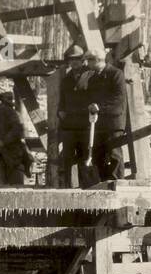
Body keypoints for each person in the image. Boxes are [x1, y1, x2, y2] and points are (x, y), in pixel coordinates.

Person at [85, 48, 128, 183]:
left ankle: (118, 185)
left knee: (114, 154)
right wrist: (90, 105)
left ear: (97, 60)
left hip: (114, 123)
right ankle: (103, 185)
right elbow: (90, 98)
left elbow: (118, 98)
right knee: (98, 155)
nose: (86, 64)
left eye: (89, 60)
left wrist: (99, 107)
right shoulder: (92, 79)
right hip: (98, 123)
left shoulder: (116, 74)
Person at [54, 44, 89, 188]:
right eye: (72, 59)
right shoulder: (66, 80)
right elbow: (62, 100)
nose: (74, 62)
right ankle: (69, 187)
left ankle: (87, 187)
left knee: (85, 157)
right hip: (69, 124)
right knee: (68, 157)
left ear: (83, 60)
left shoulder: (90, 75)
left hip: (85, 124)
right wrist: (60, 112)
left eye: (78, 59)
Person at [0, 92, 33, 185]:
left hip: (9, 145)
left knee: (12, 165)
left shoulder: (10, 112)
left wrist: (4, 141)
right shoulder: (2, 111)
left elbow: (17, 129)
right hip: (3, 143)